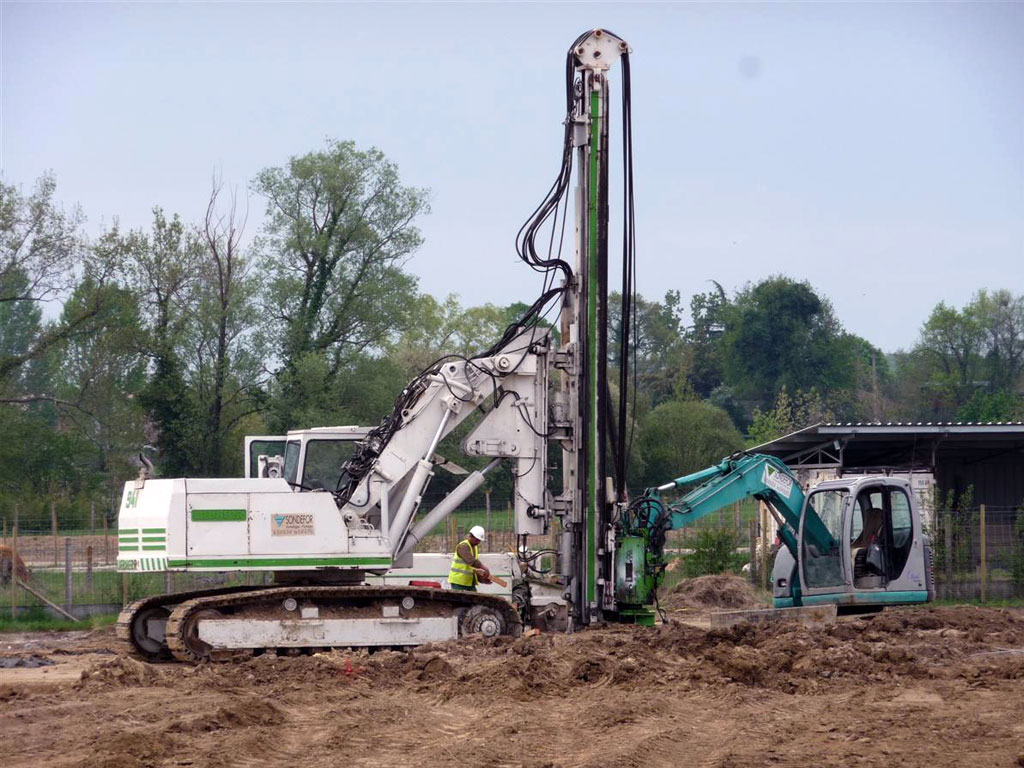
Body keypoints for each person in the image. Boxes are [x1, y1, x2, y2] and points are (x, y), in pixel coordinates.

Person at [448, 525, 491, 591]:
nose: (478, 542)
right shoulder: (463, 546)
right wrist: (484, 568)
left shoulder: (474, 547)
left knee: (475, 600)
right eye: (477, 540)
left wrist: (482, 579)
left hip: (469, 582)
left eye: (479, 540)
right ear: (471, 536)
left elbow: (472, 567)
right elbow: (472, 562)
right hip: (459, 582)